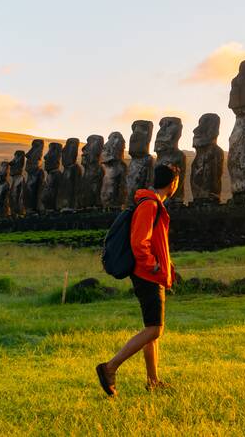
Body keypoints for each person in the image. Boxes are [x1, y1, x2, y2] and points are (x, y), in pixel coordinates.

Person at [96, 164, 179, 395]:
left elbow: (153, 242)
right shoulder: (150, 204)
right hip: (146, 274)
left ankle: (153, 381)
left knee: (151, 329)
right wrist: (153, 265)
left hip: (150, 273)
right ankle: (110, 367)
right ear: (173, 183)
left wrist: (165, 265)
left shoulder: (153, 203)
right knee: (155, 329)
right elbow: (139, 241)